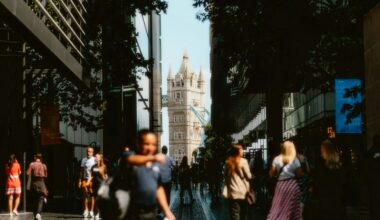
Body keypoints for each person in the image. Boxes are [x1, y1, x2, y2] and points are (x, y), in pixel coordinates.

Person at [125, 129, 176, 220]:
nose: (150, 148)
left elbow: (158, 188)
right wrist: (153, 158)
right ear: (138, 144)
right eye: (146, 144)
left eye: (153, 144)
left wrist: (167, 211)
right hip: (131, 213)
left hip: (150, 212)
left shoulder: (155, 165)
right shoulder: (130, 156)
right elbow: (131, 160)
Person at [267, 140, 302, 220]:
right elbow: (299, 174)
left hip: (280, 186)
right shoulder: (295, 160)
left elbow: (270, 174)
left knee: (278, 207)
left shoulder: (276, 159)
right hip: (292, 186)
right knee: (293, 209)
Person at [313, 140, 347, 220]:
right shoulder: (340, 167)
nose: (320, 153)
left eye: (322, 150)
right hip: (338, 204)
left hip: (325, 205)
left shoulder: (321, 166)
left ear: (325, 151)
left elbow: (318, 185)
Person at [224, 144, 252, 220]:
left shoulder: (228, 163)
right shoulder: (244, 161)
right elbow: (249, 176)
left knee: (234, 214)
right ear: (238, 151)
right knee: (243, 213)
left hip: (233, 192)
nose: (242, 151)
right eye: (241, 149)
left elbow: (225, 177)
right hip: (243, 192)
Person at [27, 153, 48, 220]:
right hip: (41, 183)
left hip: (34, 183)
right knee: (41, 198)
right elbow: (46, 176)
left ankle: (36, 214)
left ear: (35, 157)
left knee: (35, 199)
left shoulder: (32, 164)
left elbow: (27, 173)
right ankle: (38, 214)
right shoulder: (44, 166)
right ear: (41, 158)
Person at [87, 153, 108, 219]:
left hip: (101, 185)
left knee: (99, 200)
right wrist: (88, 182)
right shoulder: (93, 166)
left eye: (96, 157)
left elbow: (106, 176)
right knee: (95, 200)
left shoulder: (104, 166)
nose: (95, 158)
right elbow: (91, 175)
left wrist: (103, 176)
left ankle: (99, 213)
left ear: (100, 158)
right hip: (94, 185)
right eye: (95, 157)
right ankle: (98, 213)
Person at [79, 146, 96, 218]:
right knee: (85, 195)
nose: (88, 153)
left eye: (90, 151)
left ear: (93, 152)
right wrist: (79, 180)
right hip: (85, 179)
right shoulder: (83, 160)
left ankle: (91, 210)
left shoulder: (95, 159)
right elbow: (81, 171)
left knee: (92, 195)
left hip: (92, 180)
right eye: (87, 151)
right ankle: (86, 209)